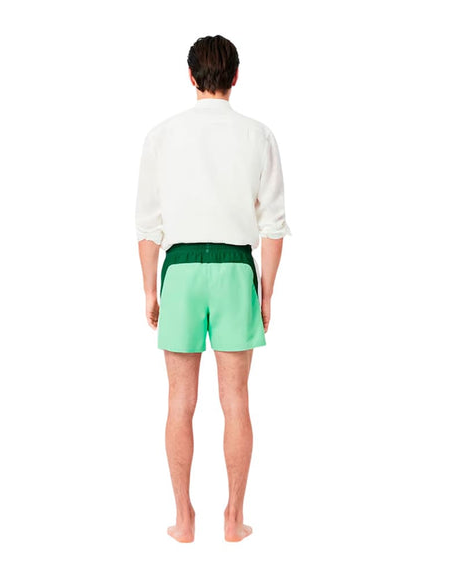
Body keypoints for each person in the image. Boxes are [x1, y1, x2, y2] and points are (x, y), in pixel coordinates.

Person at [135, 35, 291, 543]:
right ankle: (233, 519)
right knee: (236, 400)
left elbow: (148, 225)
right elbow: (273, 225)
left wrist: (149, 290)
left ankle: (184, 520)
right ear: (236, 77)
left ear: (191, 77)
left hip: (180, 271)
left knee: (179, 401)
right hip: (233, 271)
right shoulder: (258, 135)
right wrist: (266, 292)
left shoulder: (161, 136)